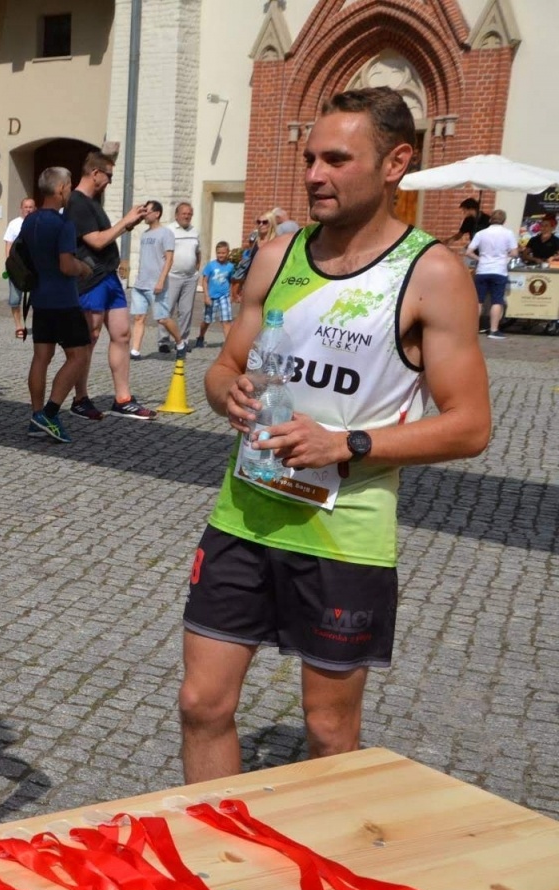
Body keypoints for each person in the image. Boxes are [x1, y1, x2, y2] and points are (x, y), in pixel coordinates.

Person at [179, 86, 491, 784]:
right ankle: (214, 862)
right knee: (202, 704)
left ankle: (322, 877)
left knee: (326, 730)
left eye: (337, 159)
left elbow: (470, 426)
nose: (315, 173)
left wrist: (346, 444)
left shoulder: (430, 273)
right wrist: (224, 390)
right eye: (311, 157)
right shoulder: (276, 255)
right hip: (242, 517)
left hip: (343, 535)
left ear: (394, 163)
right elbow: (227, 364)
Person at [66, 151, 155, 420]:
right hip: (90, 279)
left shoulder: (92, 202)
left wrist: (128, 225)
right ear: (95, 173)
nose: (110, 182)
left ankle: (123, 398)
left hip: (109, 276)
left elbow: (104, 236)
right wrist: (125, 222)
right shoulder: (77, 203)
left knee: (122, 335)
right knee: (89, 339)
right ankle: (80, 398)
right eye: (109, 176)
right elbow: (95, 241)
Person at [20, 167, 93, 444]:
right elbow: (65, 265)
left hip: (40, 298)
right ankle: (49, 413)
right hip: (63, 300)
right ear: (61, 188)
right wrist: (83, 268)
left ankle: (35, 416)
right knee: (79, 355)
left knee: (41, 357)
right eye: (70, 185)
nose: (70, 191)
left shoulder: (30, 221)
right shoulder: (64, 225)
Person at [128, 200, 186, 358]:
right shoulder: (145, 234)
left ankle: (180, 343)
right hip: (140, 283)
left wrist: (161, 281)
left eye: (147, 211)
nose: (145, 214)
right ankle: (135, 350)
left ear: (157, 213)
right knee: (139, 317)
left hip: (156, 284)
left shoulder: (166, 233)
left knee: (163, 319)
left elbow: (169, 259)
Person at [467, 209, 519, 340]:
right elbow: (514, 253)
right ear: (504, 221)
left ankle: (472, 329)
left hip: (482, 269)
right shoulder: (508, 233)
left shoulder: (481, 233)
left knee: (478, 300)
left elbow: (468, 252)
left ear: (490, 219)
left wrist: (481, 259)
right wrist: (504, 257)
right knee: (497, 300)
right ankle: (494, 330)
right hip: (499, 270)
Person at [164, 201, 202, 343]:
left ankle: (183, 340)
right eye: (184, 213)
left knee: (186, 311)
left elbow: (198, 253)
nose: (187, 216)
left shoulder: (195, 231)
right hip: (172, 276)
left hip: (190, 278)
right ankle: (163, 341)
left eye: (189, 214)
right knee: (167, 310)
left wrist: (196, 270)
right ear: (177, 215)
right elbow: (163, 253)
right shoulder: (169, 230)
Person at [3, 196, 36, 341]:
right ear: (21, 208)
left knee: (37, 299)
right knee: (15, 299)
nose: (28, 209)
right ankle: (18, 326)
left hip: (34, 268)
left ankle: (38, 326)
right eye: (26, 207)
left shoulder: (38, 223)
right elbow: (8, 245)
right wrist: (9, 264)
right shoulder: (14, 224)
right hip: (17, 268)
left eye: (31, 207)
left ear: (34, 209)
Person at [195, 241, 236, 349]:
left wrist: (232, 294)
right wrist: (206, 296)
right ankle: (200, 336)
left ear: (227, 253)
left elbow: (231, 281)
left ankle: (228, 344)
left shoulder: (230, 267)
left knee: (226, 320)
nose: (221, 255)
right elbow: (204, 281)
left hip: (224, 296)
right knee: (207, 320)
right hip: (212, 296)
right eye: (218, 253)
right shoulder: (211, 266)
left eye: (223, 253)